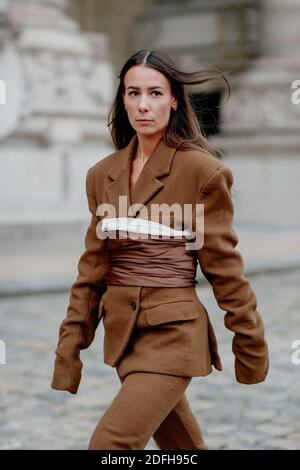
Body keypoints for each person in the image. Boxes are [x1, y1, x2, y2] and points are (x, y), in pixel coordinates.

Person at [50, 49, 269, 450]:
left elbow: (224, 268)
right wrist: (70, 349)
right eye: (133, 93)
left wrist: (249, 343)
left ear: (173, 99)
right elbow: (91, 272)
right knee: (182, 449)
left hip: (173, 333)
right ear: (122, 100)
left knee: (110, 446)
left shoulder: (202, 171)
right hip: (124, 335)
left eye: (154, 93)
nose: (143, 105)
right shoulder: (102, 175)